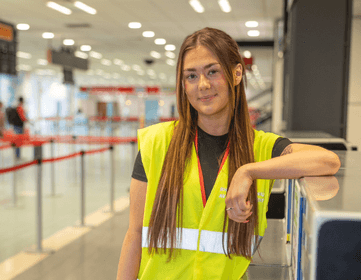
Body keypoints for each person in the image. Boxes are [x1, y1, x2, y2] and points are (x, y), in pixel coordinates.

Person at [116, 27, 341, 280]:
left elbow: (328, 160)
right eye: (191, 76)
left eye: (213, 72)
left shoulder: (260, 148)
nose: (202, 85)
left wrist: (248, 170)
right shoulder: (157, 142)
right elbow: (134, 234)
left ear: (236, 74)